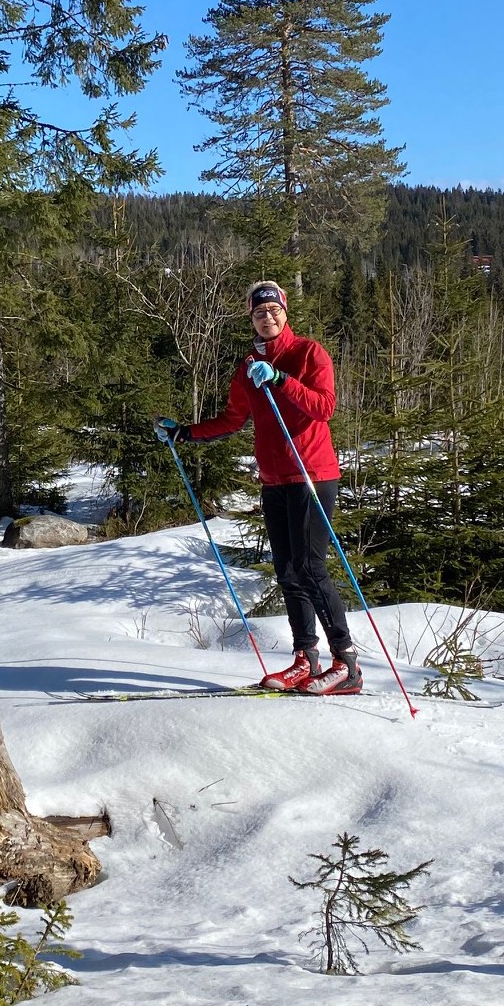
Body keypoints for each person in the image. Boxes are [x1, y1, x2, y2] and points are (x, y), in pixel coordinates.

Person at [156, 280, 360, 695]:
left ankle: (347, 664)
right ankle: (306, 659)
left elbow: (325, 407)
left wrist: (282, 379)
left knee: (310, 567)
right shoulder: (248, 366)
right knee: (287, 572)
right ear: (250, 317)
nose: (267, 317)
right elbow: (232, 420)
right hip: (274, 479)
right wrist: (185, 433)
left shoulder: (309, 353)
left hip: (312, 475)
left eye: (274, 310)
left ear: (285, 313)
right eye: (259, 312)